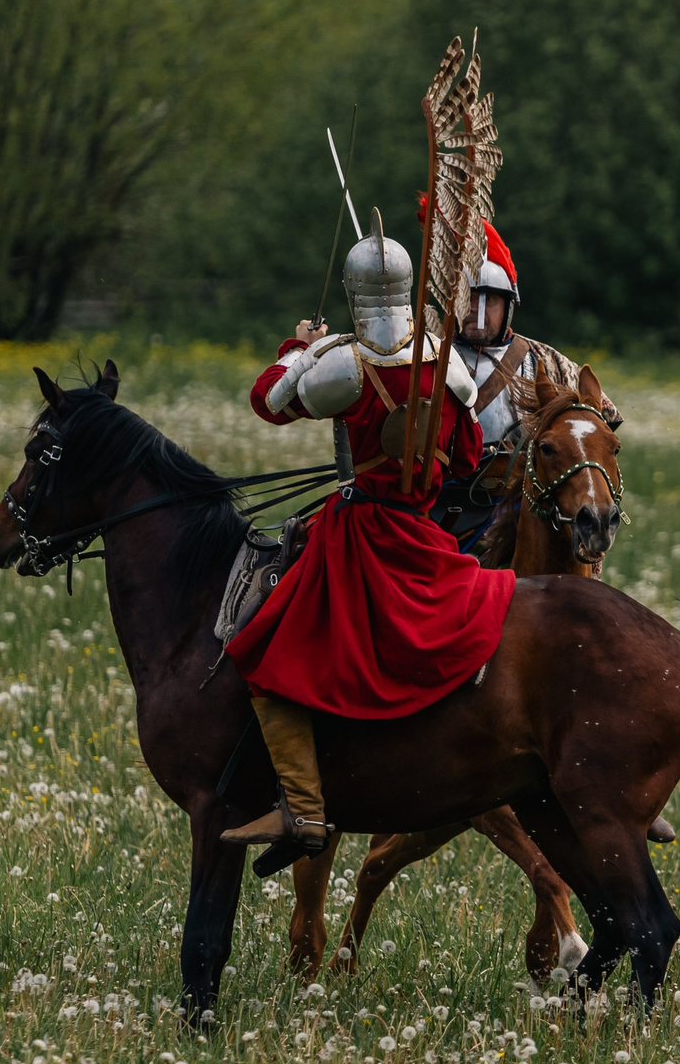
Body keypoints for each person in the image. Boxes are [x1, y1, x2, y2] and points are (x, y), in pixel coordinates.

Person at [219, 220, 516, 863]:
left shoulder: (345, 367)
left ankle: (303, 807)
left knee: (265, 648)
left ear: (355, 295)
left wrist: (298, 348)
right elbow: (465, 457)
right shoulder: (445, 358)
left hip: (358, 537)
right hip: (425, 535)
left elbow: (268, 402)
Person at [432, 214, 621, 555]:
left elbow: (600, 426)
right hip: (436, 505)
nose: (478, 310)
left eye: (489, 300)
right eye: (470, 299)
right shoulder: (427, 356)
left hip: (517, 509)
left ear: (507, 306)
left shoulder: (545, 361)